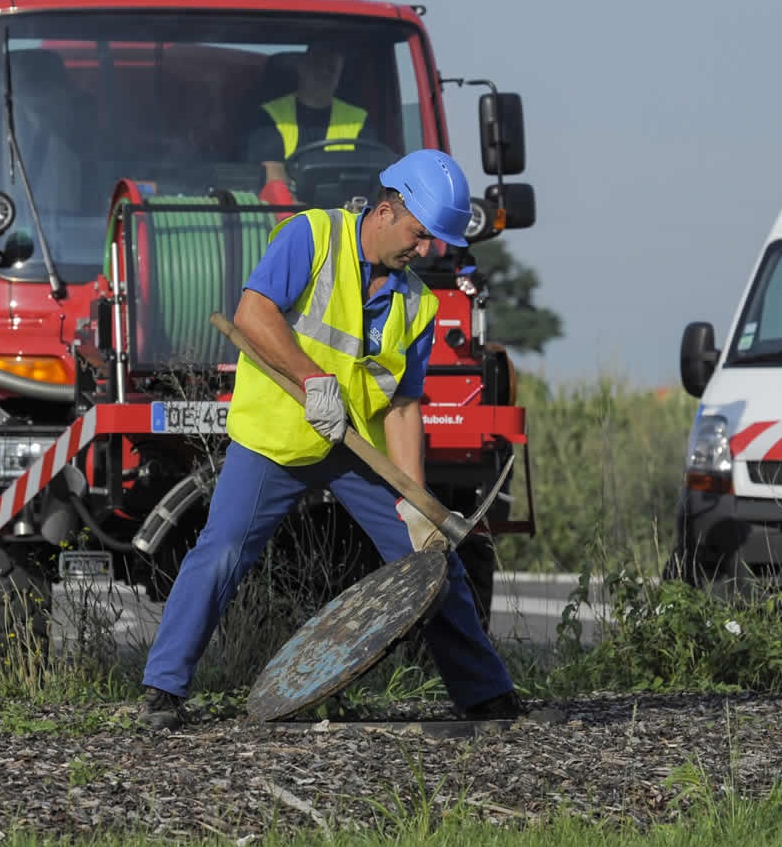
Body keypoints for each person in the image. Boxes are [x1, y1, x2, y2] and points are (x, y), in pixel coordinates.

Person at [140, 149, 522, 730]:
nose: (424, 252)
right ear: (388, 210)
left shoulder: (416, 303)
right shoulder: (311, 237)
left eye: (432, 243)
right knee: (220, 553)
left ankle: (486, 694)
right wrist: (313, 380)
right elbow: (253, 314)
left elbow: (402, 405)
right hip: (277, 438)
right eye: (419, 236)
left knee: (432, 561)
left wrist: (417, 503)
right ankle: (162, 691)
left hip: (353, 449)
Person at [247, 41, 369, 196]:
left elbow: (369, 175)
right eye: (317, 65)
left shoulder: (359, 119)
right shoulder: (269, 115)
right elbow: (272, 175)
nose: (324, 73)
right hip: (290, 214)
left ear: (340, 72)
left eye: (331, 68)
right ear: (301, 68)